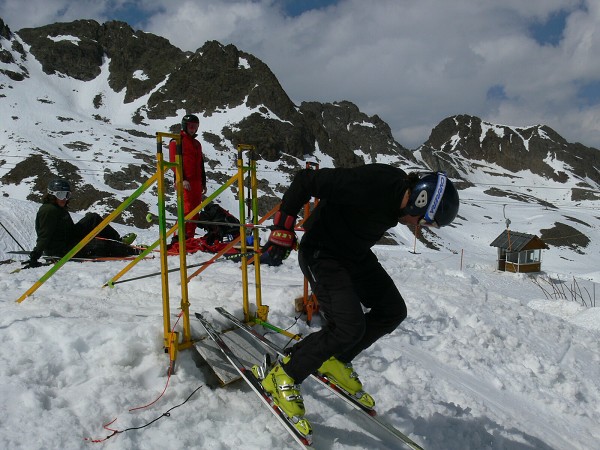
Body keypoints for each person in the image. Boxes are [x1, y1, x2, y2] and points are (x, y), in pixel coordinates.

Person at [257, 163, 460, 436]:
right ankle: (284, 376)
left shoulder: (400, 201)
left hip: (353, 254)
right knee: (348, 326)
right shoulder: (373, 182)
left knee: (392, 310)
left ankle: (335, 359)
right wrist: (283, 226)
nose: (418, 227)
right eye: (423, 220)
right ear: (419, 200)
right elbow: (306, 180)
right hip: (323, 253)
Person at [23, 178, 138, 268]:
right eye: (61, 195)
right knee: (98, 246)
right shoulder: (49, 210)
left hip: (69, 238)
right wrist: (35, 256)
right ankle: (132, 250)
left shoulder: (57, 208)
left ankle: (119, 241)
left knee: (93, 218)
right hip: (61, 249)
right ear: (51, 195)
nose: (64, 198)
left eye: (67, 195)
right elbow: (44, 235)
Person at [169, 113, 206, 243]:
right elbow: (174, 162)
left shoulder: (197, 143)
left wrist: (203, 182)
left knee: (195, 211)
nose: (193, 129)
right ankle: (177, 238)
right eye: (191, 126)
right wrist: (181, 179)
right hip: (185, 181)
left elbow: (201, 163)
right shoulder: (177, 141)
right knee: (186, 210)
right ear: (185, 126)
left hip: (196, 182)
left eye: (195, 126)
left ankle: (188, 238)